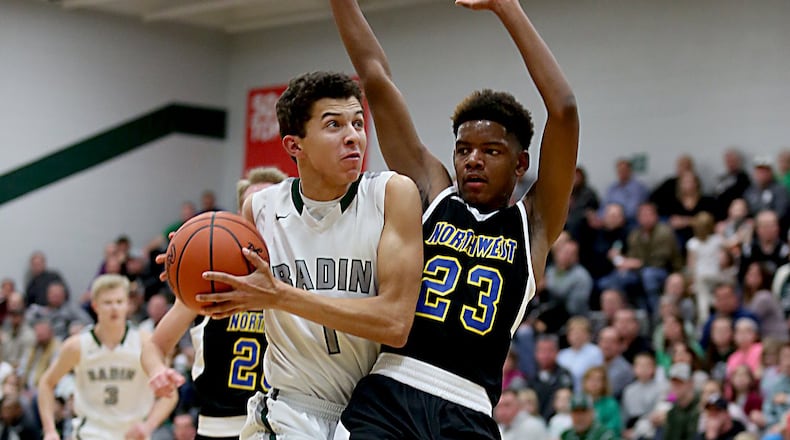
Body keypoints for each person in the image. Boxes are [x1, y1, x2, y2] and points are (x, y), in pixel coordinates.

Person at [329, 0, 578, 437]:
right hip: (392, 389)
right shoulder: (432, 195)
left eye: (491, 152)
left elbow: (565, 110)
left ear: (521, 163)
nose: (473, 161)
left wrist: (507, 9)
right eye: (464, 150)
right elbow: (376, 78)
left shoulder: (533, 224)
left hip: (470, 408)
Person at [177, 70, 423, 440]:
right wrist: (194, 271)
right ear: (295, 146)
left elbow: (395, 323)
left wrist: (281, 295)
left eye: (357, 122)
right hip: (288, 407)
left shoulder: (391, 194)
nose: (353, 136)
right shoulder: (260, 209)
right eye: (334, 125)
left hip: (373, 414)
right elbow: (239, 299)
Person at [142, 170, 286, 440]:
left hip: (284, 424)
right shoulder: (209, 275)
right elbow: (155, 345)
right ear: (240, 217)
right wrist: (157, 370)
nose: (260, 214)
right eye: (252, 206)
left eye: (269, 205)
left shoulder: (300, 275)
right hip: (219, 427)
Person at [37, 274, 177, 440]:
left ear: (128, 305)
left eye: (119, 302)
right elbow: (46, 383)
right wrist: (50, 430)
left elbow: (170, 393)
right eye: (108, 303)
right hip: (90, 432)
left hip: (132, 433)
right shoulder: (77, 346)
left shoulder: (146, 343)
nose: (114, 308)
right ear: (95, 306)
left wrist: (149, 425)